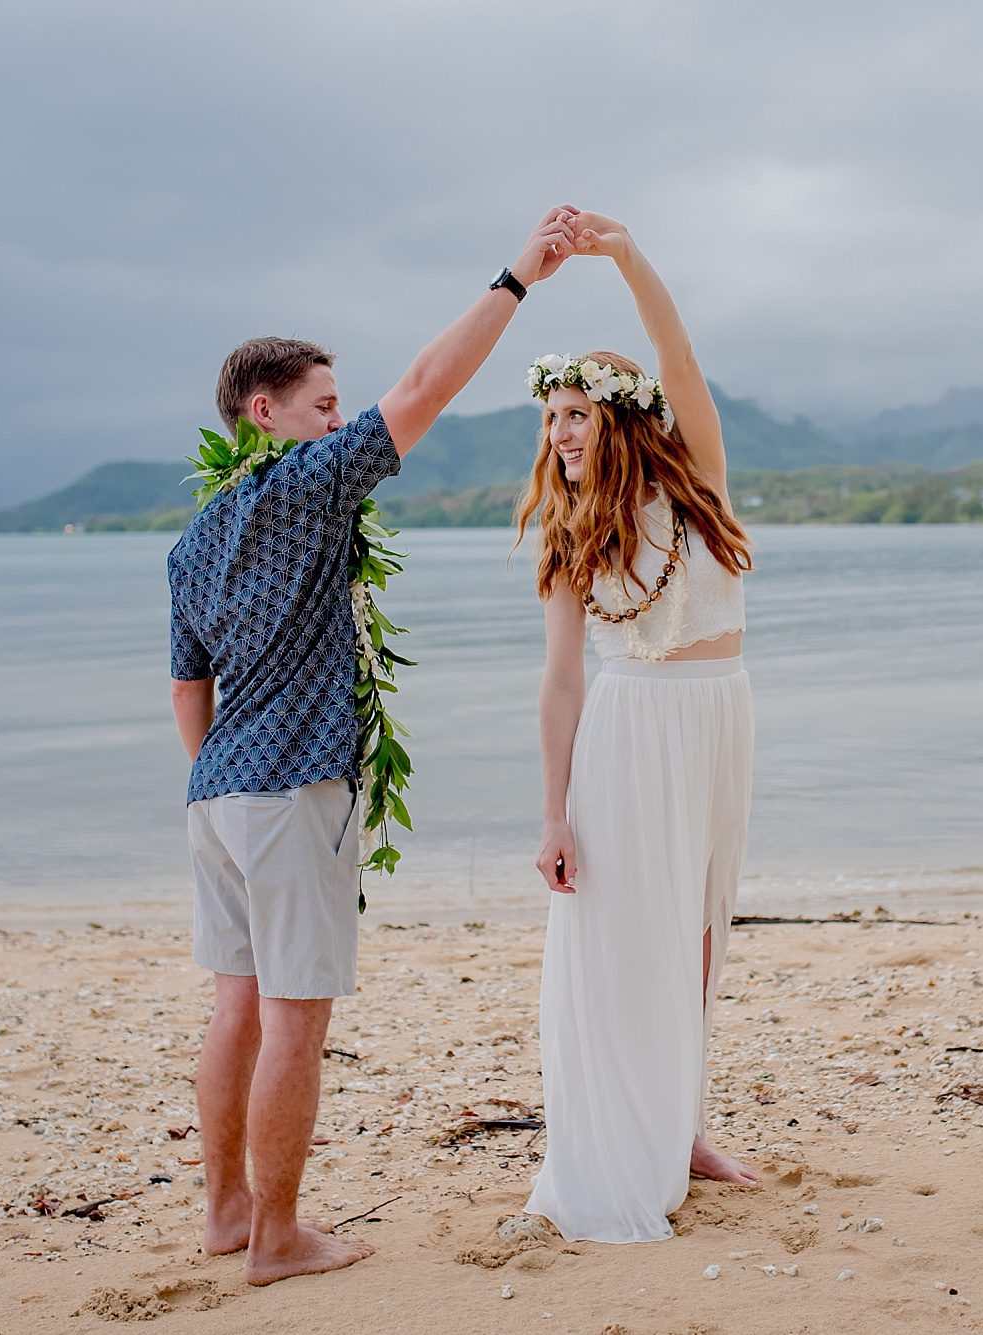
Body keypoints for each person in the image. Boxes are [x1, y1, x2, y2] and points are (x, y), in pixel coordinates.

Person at [168, 206, 580, 1284]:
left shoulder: (194, 535)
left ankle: (223, 1214)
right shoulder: (306, 487)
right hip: (290, 788)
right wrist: (517, 276)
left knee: (235, 1006)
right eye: (322, 405)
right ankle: (277, 1238)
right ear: (267, 415)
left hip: (215, 794)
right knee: (296, 1020)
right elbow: (425, 387)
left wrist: (221, 775)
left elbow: (185, 684)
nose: (340, 420)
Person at [515, 211, 759, 1244]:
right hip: (625, 729)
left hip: (716, 716)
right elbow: (561, 685)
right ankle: (630, 1134)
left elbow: (680, 355)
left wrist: (620, 255)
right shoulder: (569, 534)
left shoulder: (694, 482)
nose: (561, 432)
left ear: (619, 418)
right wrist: (552, 818)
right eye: (552, 417)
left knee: (700, 928)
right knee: (627, 933)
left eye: (577, 413)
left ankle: (683, 1124)